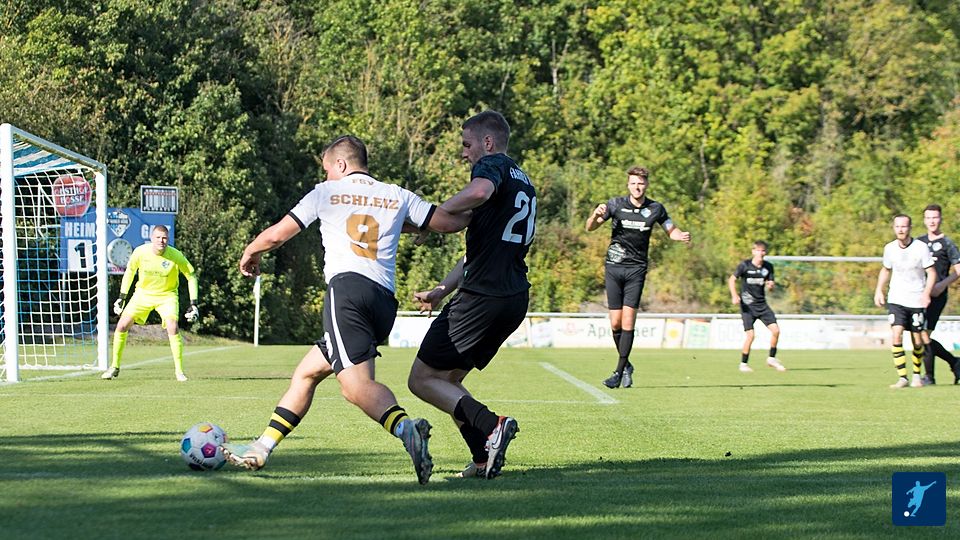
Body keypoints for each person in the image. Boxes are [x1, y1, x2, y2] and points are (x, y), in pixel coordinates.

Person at [219, 135, 468, 485]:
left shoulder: (326, 192)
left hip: (347, 292)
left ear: (340, 164)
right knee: (307, 373)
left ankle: (406, 429)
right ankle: (262, 447)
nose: (325, 177)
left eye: (326, 169)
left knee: (354, 387)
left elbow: (277, 235)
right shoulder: (396, 195)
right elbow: (450, 223)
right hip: (382, 300)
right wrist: (427, 222)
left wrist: (250, 252)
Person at [407, 110, 534, 480]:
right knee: (447, 380)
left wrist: (431, 214)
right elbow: (476, 250)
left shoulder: (491, 166)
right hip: (513, 297)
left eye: (467, 144)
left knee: (421, 379)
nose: (464, 153)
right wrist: (441, 290)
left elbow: (478, 191)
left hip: (482, 297)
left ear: (488, 142)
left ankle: (493, 425)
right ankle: (482, 458)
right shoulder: (522, 180)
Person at [585, 166, 691, 389]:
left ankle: (618, 372)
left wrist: (679, 235)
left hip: (636, 270)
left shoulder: (655, 208)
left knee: (627, 321)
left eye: (641, 183)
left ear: (647, 185)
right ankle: (627, 365)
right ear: (628, 185)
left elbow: (670, 229)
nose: (637, 187)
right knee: (615, 322)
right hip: (614, 268)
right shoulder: (615, 204)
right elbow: (590, 227)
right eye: (633, 183)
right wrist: (595, 214)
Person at [101, 225, 198, 382]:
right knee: (122, 325)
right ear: (152, 238)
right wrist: (122, 297)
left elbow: (191, 275)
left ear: (168, 239)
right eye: (158, 237)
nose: (161, 241)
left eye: (164, 238)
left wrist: (194, 303)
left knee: (173, 326)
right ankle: (114, 367)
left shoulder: (176, 255)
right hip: (142, 294)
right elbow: (130, 272)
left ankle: (179, 371)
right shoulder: (140, 252)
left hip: (167, 295)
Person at [874, 214, 937, 388]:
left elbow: (931, 272)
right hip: (896, 298)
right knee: (896, 334)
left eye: (904, 226)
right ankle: (903, 378)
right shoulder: (889, 248)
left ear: (910, 228)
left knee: (917, 340)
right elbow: (886, 269)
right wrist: (879, 290)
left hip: (916, 299)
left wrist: (926, 293)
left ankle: (916, 375)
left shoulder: (921, 248)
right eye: (897, 226)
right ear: (894, 228)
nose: (900, 230)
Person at [917, 204, 960, 385]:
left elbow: (958, 270)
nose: (932, 221)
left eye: (935, 217)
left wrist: (942, 285)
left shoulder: (947, 243)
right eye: (929, 218)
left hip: (936, 296)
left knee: (924, 334)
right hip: (918, 295)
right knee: (919, 335)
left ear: (940, 219)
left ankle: (930, 376)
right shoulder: (918, 243)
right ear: (924, 220)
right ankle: (954, 362)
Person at [728, 240, 786, 373]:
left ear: (765, 253)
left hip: (762, 305)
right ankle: (743, 364)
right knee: (751, 335)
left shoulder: (768, 267)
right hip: (747, 306)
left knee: (776, 331)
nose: (760, 253)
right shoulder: (745, 265)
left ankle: (771, 358)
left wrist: (770, 286)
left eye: (763, 251)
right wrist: (734, 295)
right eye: (758, 250)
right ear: (753, 251)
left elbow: (770, 285)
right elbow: (732, 279)